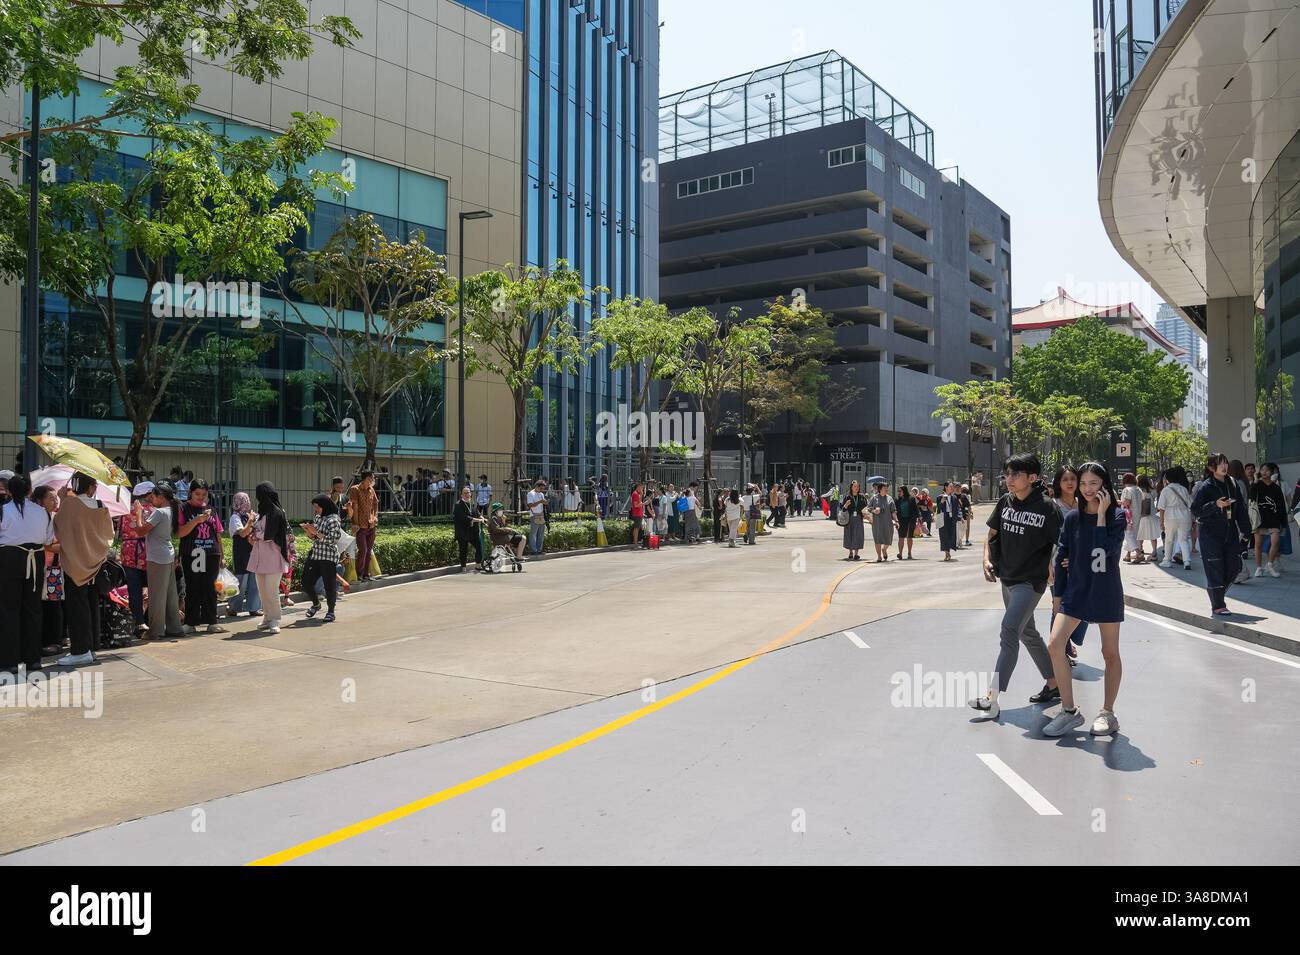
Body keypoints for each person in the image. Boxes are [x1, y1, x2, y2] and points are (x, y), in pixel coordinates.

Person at [968, 454, 1063, 719]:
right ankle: (1055, 682)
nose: (1008, 479)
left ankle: (992, 698)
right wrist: (986, 560)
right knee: (1027, 633)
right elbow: (991, 536)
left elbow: (1064, 543)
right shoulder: (1005, 502)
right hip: (1007, 579)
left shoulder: (1047, 508)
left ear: (1032, 478)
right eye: (1007, 474)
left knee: (1009, 631)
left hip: (1030, 583)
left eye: (1015, 474)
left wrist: (1054, 563)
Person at [1043, 462, 1128, 737]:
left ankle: (1107, 712)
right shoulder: (1072, 519)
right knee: (1056, 644)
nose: (1088, 489)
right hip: (1076, 592)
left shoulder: (1116, 516)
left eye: (1094, 483)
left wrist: (1101, 517)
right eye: (1083, 483)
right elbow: (1062, 557)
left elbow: (1103, 560)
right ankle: (1069, 711)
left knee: (1109, 653)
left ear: (1104, 485)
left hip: (1105, 591)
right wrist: (1058, 598)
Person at [53, 473, 115, 667]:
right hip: (95, 562)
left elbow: (58, 528)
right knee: (91, 604)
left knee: (76, 606)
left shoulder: (69, 505)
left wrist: (62, 499)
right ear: (91, 487)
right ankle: (91, 647)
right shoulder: (100, 506)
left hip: (74, 563)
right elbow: (109, 534)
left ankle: (80, 650)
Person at [0, 474, 53, 675]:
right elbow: (48, 540)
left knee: (8, 610)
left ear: (9, 491)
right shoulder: (42, 512)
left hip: (9, 559)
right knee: (33, 609)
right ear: (30, 491)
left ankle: (9, 662)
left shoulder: (3, 511)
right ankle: (33, 660)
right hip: (35, 558)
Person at [1191, 453, 1252, 615]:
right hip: (1210, 534)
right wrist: (1215, 505)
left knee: (1235, 566)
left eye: (1225, 462)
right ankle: (1218, 604)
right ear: (1211, 468)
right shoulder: (1206, 486)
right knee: (1215, 566)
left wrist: (1247, 530)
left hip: (1230, 532)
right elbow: (1196, 510)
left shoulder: (1232, 484)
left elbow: (1241, 510)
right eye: (1220, 463)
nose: (1224, 466)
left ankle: (1215, 592)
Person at [1048, 466, 1088, 666]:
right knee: (1058, 607)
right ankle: (1058, 651)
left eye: (1073, 478)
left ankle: (1066, 641)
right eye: (1065, 479)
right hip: (1058, 564)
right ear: (1059, 483)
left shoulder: (1083, 504)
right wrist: (1048, 565)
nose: (1070, 482)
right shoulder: (1053, 506)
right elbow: (1047, 539)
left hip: (1081, 566)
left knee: (1082, 606)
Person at [135, 484, 184, 641]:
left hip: (157, 557)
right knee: (170, 594)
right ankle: (174, 627)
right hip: (167, 555)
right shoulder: (171, 510)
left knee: (156, 595)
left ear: (161, 497)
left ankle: (155, 631)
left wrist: (138, 513)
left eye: (153, 496)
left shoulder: (159, 512)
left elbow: (141, 530)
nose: (151, 499)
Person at [177, 479, 225, 635]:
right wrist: (197, 520)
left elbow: (217, 533)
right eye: (197, 494)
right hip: (192, 553)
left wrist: (222, 555)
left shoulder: (211, 509)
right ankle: (191, 622)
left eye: (204, 494)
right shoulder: (183, 508)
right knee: (193, 587)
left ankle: (211, 621)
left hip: (211, 552)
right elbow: (179, 533)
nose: (201, 497)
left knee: (209, 587)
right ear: (190, 492)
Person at [248, 483, 290, 634]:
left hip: (273, 557)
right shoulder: (263, 512)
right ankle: (266, 617)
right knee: (262, 591)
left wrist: (256, 534)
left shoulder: (276, 512)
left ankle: (275, 619)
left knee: (271, 590)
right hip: (260, 557)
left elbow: (268, 535)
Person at [118, 480, 155, 634]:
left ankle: (138, 622)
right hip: (148, 551)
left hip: (128, 551)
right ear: (148, 495)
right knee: (153, 588)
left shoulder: (125, 510)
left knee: (134, 590)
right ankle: (151, 621)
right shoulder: (152, 510)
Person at [300, 495, 342, 623]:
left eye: (317, 507)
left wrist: (316, 532)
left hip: (328, 557)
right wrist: (309, 531)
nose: (316, 510)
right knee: (306, 583)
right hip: (316, 555)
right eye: (315, 507)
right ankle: (316, 604)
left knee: (329, 586)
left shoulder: (333, 519)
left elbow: (334, 539)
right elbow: (314, 538)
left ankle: (331, 612)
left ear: (325, 507)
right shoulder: (318, 518)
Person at [227, 491, 262, 618]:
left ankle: (254, 607)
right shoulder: (235, 517)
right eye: (244, 501)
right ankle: (233, 607)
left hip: (253, 551)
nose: (247, 503)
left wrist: (253, 520)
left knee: (254, 581)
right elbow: (242, 533)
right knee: (241, 581)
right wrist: (251, 521)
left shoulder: (251, 516)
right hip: (241, 553)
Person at [1250, 462, 1287, 578]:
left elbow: (1281, 505)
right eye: (1262, 470)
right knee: (1258, 544)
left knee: (1275, 541)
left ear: (1271, 472)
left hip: (1274, 518)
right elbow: (1251, 497)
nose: (1264, 472)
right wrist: (1255, 481)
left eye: (1266, 470)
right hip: (1259, 518)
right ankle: (1259, 567)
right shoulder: (1257, 485)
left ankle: (1270, 564)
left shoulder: (1276, 488)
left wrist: (1283, 522)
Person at [1157, 466, 1194, 571]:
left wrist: (1161, 521)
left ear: (1168, 478)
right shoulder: (1183, 489)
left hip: (1170, 516)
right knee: (1183, 539)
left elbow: (1161, 507)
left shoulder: (1165, 490)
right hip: (1184, 515)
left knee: (1169, 539)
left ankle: (1167, 560)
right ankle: (1187, 561)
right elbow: (1190, 504)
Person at [346, 470, 380, 581]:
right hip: (360, 526)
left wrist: (375, 517)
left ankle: (366, 574)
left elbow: (375, 504)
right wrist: (354, 523)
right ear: (364, 478)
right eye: (371, 478)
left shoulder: (371, 490)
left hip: (371, 525)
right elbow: (354, 507)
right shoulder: (355, 489)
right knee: (363, 550)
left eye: (373, 479)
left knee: (369, 550)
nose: (372, 481)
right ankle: (359, 573)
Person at [454, 486, 484, 572]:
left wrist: (483, 518)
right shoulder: (458, 505)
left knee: (479, 546)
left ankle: (478, 565)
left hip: (473, 531)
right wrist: (478, 520)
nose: (467, 494)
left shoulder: (473, 503)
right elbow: (465, 518)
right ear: (461, 495)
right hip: (463, 531)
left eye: (469, 492)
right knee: (463, 549)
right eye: (465, 493)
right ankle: (463, 567)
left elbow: (477, 513)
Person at [867, 481, 895, 562]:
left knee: (889, 538)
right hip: (877, 523)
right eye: (884, 488)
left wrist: (896, 521)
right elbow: (868, 508)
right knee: (878, 539)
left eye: (887, 488)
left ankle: (884, 549)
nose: (886, 489)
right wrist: (874, 511)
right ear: (880, 489)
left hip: (888, 523)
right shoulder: (874, 498)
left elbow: (893, 511)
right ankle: (879, 556)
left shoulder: (890, 498)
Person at [1135, 474, 1160, 561]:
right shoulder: (1152, 491)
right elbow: (1155, 497)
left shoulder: (1138, 491)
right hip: (1152, 515)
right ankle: (1154, 552)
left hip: (1141, 516)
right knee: (1153, 535)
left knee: (1140, 535)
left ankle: (1140, 550)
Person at [841, 479, 866, 560]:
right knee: (849, 534)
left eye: (857, 486)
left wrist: (867, 515)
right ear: (851, 487)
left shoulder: (862, 497)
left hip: (858, 518)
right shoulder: (847, 497)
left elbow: (866, 508)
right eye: (854, 486)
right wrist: (845, 505)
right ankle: (850, 552)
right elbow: (843, 509)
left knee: (858, 535)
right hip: (849, 518)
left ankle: (856, 554)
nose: (856, 488)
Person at [936, 481, 962, 560]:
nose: (952, 488)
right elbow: (938, 509)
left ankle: (948, 552)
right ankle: (947, 553)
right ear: (946, 487)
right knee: (944, 535)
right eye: (951, 487)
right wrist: (941, 502)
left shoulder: (954, 497)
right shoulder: (940, 497)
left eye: (952, 487)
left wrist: (960, 517)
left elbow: (957, 509)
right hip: (944, 517)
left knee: (951, 535)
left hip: (952, 518)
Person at [894, 484, 917, 559]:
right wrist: (895, 520)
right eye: (898, 491)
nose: (898, 492)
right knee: (901, 537)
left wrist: (919, 518)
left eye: (900, 491)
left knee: (909, 537)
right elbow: (894, 511)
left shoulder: (911, 499)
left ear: (904, 491)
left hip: (910, 520)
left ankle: (909, 553)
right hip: (901, 521)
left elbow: (915, 510)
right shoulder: (897, 500)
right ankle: (900, 554)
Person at [526, 479, 547, 555]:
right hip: (534, 515)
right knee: (533, 534)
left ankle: (539, 549)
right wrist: (540, 502)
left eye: (543, 489)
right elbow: (530, 505)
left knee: (541, 533)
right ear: (537, 486)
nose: (542, 490)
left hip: (541, 515)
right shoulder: (530, 494)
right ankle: (533, 550)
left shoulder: (541, 494)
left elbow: (543, 503)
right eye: (541, 488)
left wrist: (545, 502)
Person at [628, 481, 645, 549]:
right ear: (638, 487)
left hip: (639, 514)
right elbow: (636, 505)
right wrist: (643, 503)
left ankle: (636, 542)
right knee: (636, 528)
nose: (642, 489)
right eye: (642, 488)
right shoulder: (635, 494)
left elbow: (639, 502)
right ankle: (635, 543)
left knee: (637, 528)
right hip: (637, 514)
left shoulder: (637, 494)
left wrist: (641, 495)